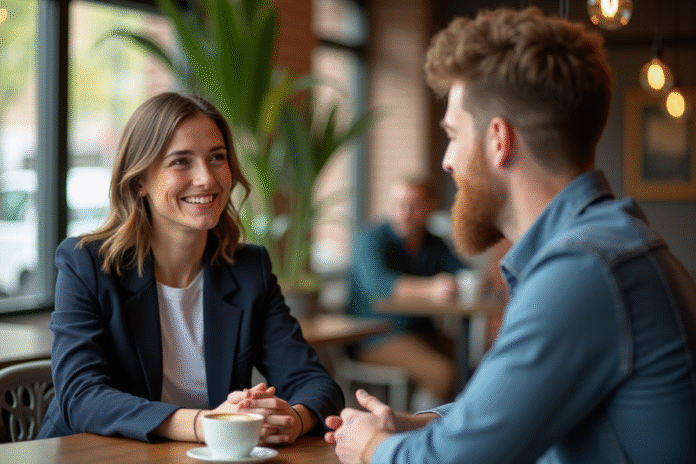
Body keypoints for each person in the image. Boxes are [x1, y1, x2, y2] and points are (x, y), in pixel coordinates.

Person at [325, 7, 696, 464]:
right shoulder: (603, 246)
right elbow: (506, 414)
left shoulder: (583, 269)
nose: (447, 160)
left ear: (498, 140)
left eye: (453, 135)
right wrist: (417, 424)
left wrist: (372, 448)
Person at [38, 92, 344, 444]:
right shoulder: (87, 264)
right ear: (139, 181)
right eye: (181, 162)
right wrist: (206, 423)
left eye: (217, 157)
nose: (207, 179)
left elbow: (314, 381)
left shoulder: (248, 270)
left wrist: (293, 418)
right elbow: (81, 396)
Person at [346, 176, 466, 407]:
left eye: (415, 205)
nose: (405, 212)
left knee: (480, 365)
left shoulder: (434, 243)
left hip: (420, 332)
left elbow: (462, 274)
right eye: (398, 205)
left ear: (431, 208)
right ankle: (422, 432)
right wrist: (431, 289)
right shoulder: (371, 238)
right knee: (443, 373)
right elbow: (378, 286)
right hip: (373, 336)